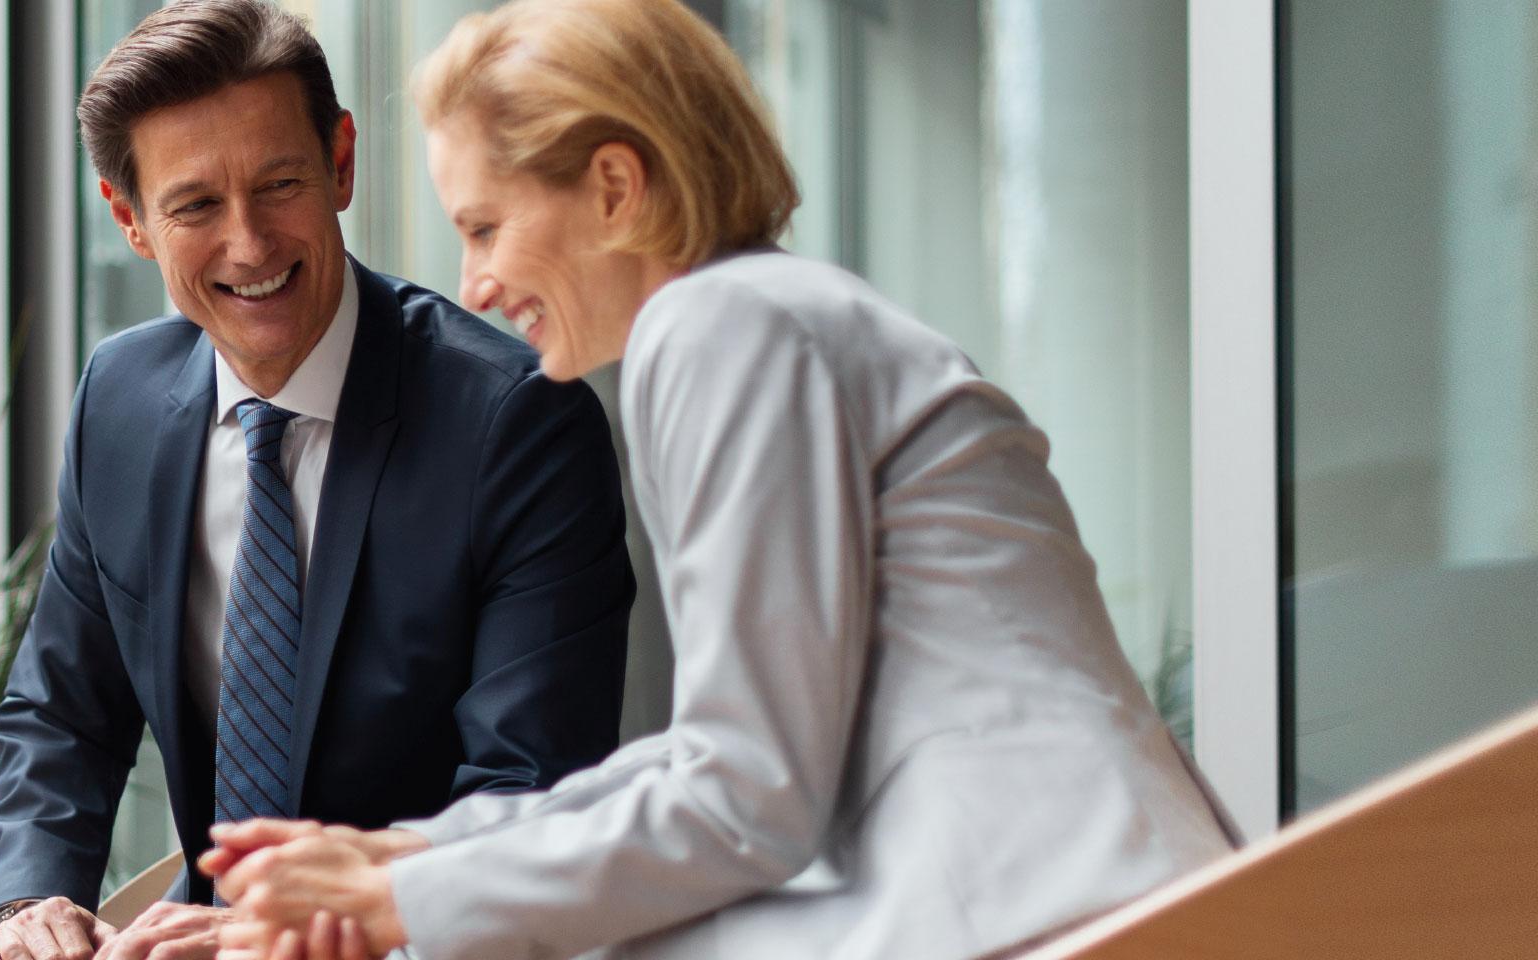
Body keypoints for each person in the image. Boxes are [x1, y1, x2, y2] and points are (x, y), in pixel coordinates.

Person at [197, 1, 1235, 957]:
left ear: (614, 187)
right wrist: (415, 857)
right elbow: (722, 755)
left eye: (485, 227)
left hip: (1056, 907)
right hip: (1075, 893)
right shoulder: (766, 314)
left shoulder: (722, 326)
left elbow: (748, 793)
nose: (475, 282)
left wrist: (405, 900)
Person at [0, 2, 642, 958]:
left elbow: (528, 792)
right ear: (131, 221)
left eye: (279, 184)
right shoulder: (117, 400)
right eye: (196, 206)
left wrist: (286, 938)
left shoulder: (517, 425)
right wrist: (26, 910)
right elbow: (63, 714)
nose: (249, 244)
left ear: (341, 163)